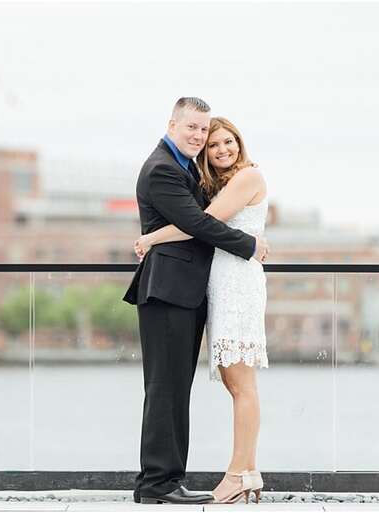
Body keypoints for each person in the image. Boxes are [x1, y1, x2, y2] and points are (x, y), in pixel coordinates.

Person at [122, 98, 269, 505]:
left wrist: (151, 238)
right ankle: (159, 484)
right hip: (168, 289)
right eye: (194, 129)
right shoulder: (163, 169)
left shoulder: (186, 167)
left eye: (204, 131)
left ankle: (168, 479)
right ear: (173, 124)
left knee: (172, 387)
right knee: (166, 388)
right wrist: (249, 245)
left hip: (185, 290)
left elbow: (199, 219)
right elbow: (197, 222)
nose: (200, 137)